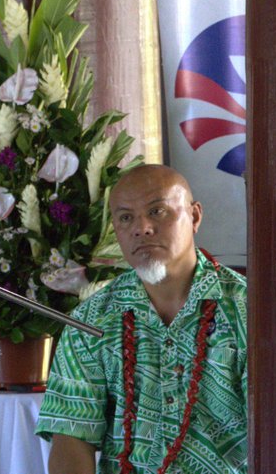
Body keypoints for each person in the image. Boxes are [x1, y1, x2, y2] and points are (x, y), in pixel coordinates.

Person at [36, 164, 247, 474]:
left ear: (195, 216)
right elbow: (71, 437)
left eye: (157, 211)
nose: (142, 228)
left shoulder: (248, 310)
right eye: (126, 218)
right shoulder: (91, 322)